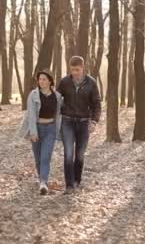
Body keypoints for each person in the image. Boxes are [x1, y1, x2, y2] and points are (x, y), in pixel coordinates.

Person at [56, 56, 101, 195]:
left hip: (83, 123)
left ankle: (77, 180)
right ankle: (69, 185)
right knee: (68, 153)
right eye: (72, 70)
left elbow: (97, 104)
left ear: (83, 68)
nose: (75, 72)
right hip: (67, 122)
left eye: (77, 69)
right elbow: (56, 100)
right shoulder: (64, 82)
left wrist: (94, 121)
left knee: (80, 155)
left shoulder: (91, 83)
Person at [18, 69, 62, 195]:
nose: (41, 81)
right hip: (37, 128)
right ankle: (41, 178)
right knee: (38, 158)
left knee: (45, 157)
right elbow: (31, 114)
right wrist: (33, 132)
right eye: (40, 79)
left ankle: (43, 182)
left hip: (50, 129)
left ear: (50, 81)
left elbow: (59, 114)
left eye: (44, 79)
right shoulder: (33, 95)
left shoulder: (57, 96)